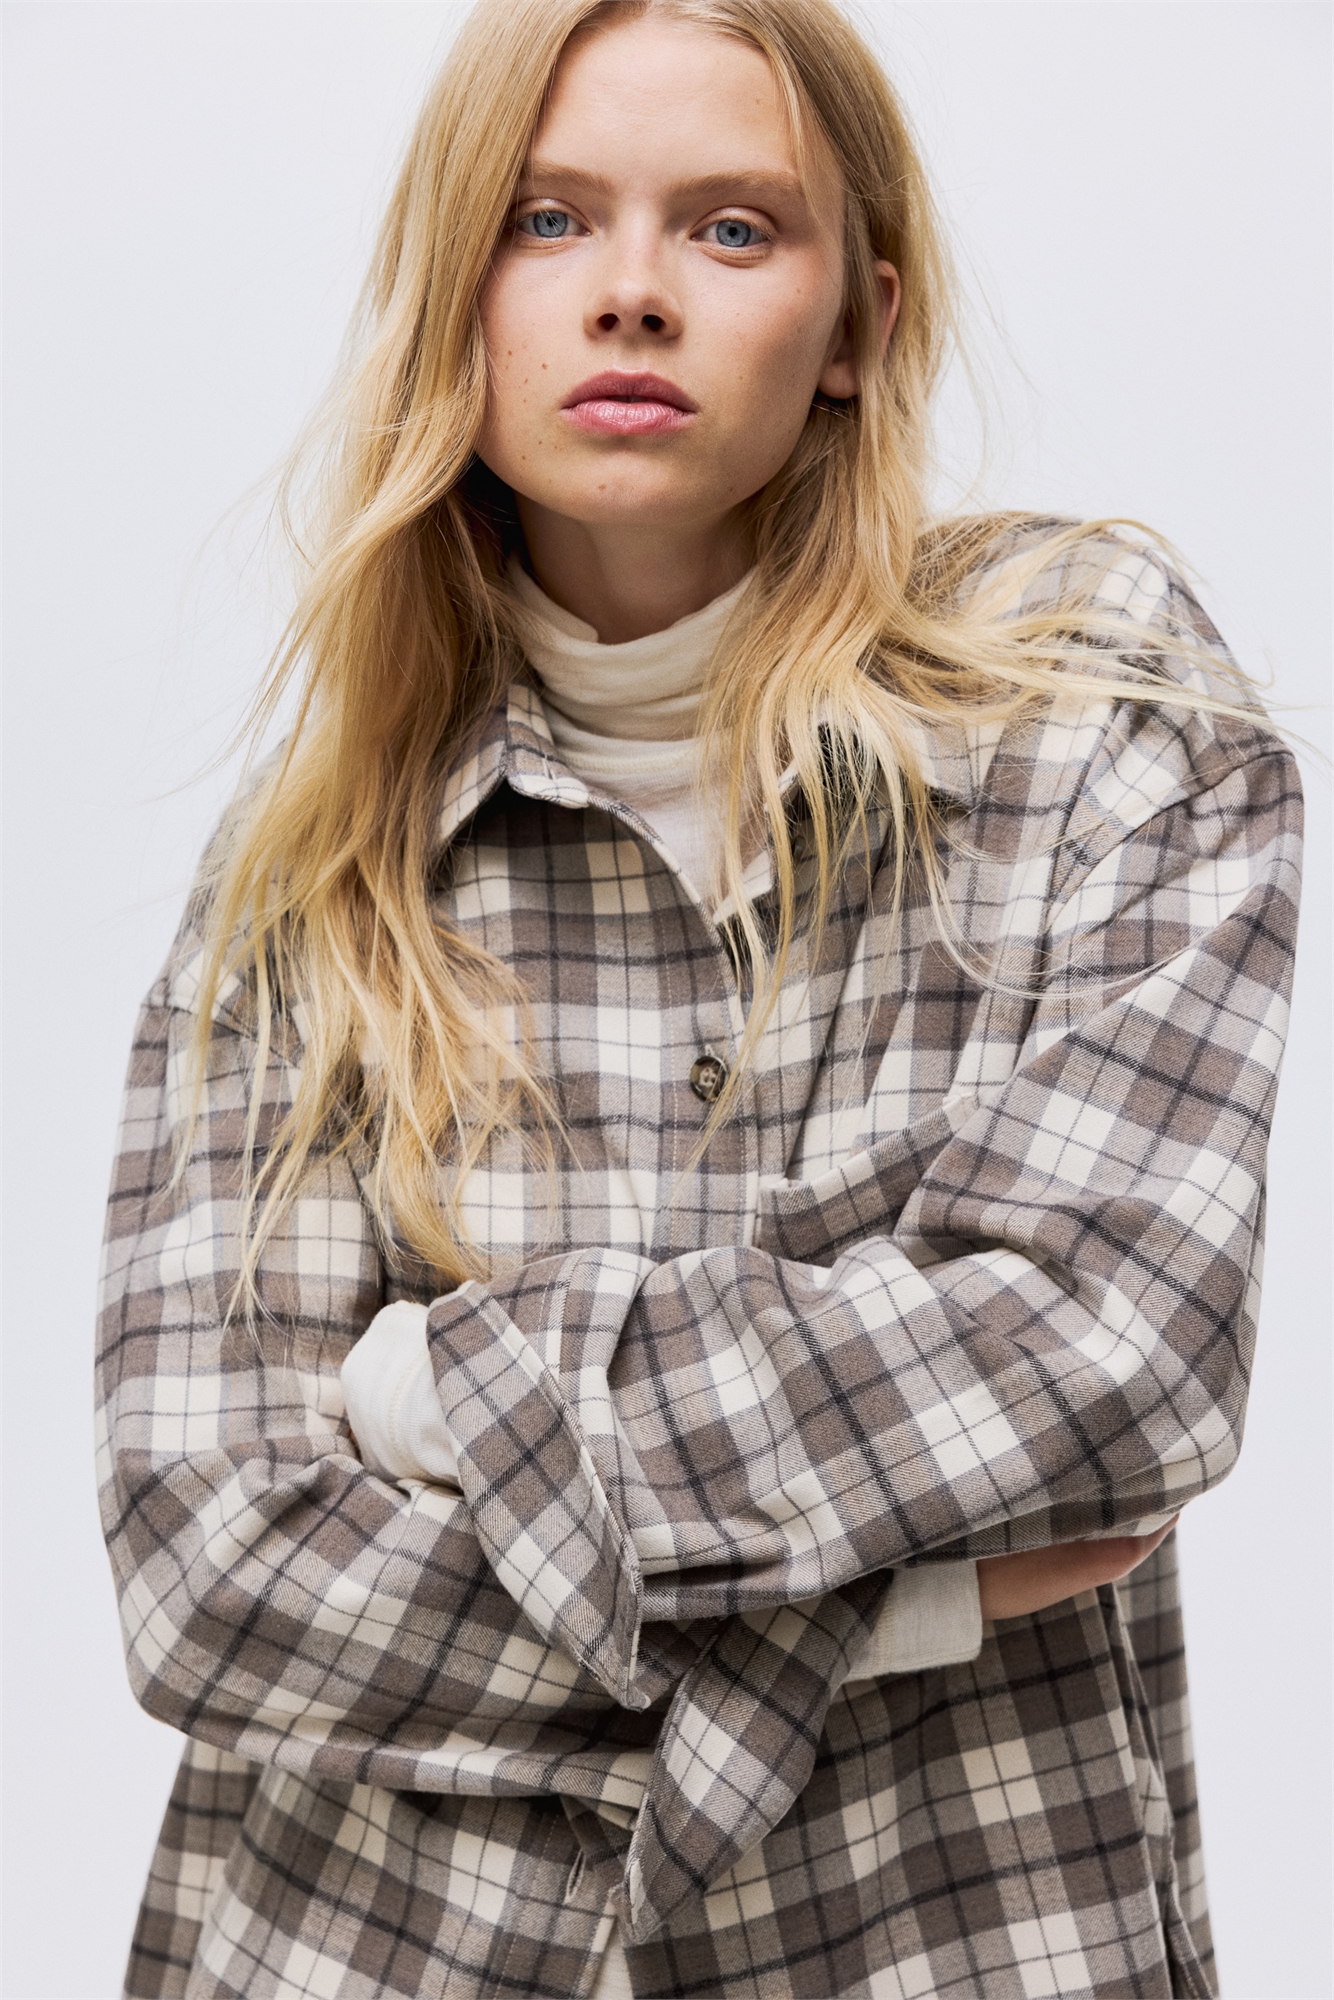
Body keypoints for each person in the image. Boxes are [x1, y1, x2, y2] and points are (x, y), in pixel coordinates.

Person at [95, 3, 1302, 1996]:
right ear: (452, 289)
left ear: (855, 325)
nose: (632, 292)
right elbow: (213, 1577)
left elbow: (1114, 1352)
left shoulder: (1094, 711)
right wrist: (909, 1591)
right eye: (546, 217)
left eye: (733, 227)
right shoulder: (306, 878)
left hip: (955, 1938)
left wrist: (438, 1387)